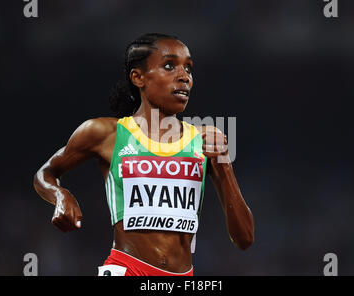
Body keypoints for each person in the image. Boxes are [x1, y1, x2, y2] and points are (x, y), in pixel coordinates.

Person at [33, 33, 254, 276]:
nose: (184, 77)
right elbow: (45, 174)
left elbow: (244, 239)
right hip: (126, 269)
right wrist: (61, 195)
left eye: (189, 69)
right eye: (169, 66)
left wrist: (224, 165)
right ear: (138, 77)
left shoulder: (204, 140)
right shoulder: (106, 133)